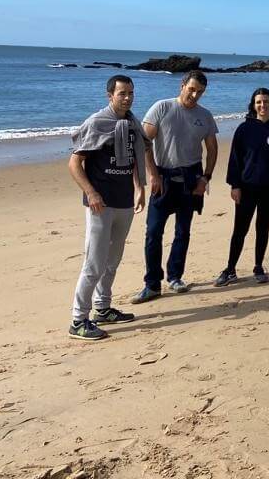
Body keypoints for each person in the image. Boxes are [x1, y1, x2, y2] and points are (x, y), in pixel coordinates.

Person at [67, 75, 152, 341]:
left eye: (130, 93)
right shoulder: (97, 123)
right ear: (109, 95)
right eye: (121, 93)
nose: (127, 98)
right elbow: (74, 164)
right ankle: (78, 320)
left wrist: (140, 188)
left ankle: (102, 309)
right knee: (94, 263)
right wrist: (91, 193)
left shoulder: (132, 123)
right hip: (100, 205)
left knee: (113, 261)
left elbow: (138, 156)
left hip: (124, 200)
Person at [132, 70, 219, 303]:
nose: (195, 95)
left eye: (200, 92)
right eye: (191, 89)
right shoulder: (162, 107)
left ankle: (175, 276)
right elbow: (144, 142)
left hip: (191, 180)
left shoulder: (205, 116)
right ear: (182, 85)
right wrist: (153, 175)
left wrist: (206, 178)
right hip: (164, 179)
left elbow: (212, 149)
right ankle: (152, 284)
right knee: (153, 233)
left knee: (183, 232)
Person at [215, 88, 269, 286]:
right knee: (240, 229)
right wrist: (235, 185)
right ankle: (230, 269)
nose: (262, 105)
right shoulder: (244, 129)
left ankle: (258, 266)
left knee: (263, 228)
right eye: (258, 102)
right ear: (253, 105)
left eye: (266, 101)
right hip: (246, 188)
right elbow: (235, 159)